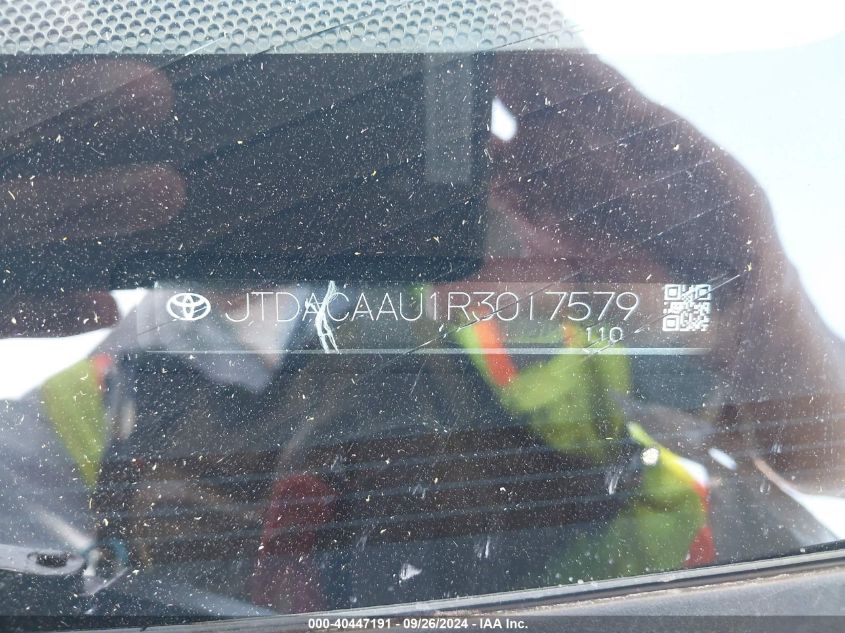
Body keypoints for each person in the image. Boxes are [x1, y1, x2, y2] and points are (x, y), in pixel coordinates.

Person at [0, 45, 842, 614]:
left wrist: (756, 307)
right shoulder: (67, 420)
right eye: (205, 77)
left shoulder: (548, 283)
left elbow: (827, 462)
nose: (249, 128)